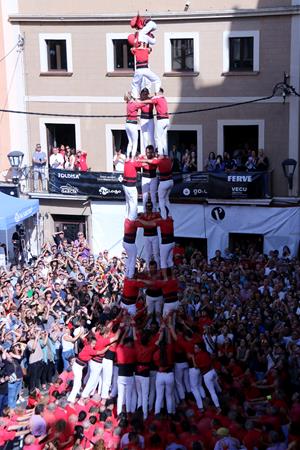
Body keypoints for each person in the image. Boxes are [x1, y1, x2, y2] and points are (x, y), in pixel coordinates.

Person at [124, 92, 143, 159]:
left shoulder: (128, 103)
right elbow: (142, 104)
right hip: (132, 124)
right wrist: (137, 99)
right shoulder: (134, 104)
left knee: (130, 142)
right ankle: (132, 158)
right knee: (135, 142)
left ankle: (128, 157)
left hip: (127, 124)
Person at [139, 88, 155, 155]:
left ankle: (153, 152)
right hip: (143, 119)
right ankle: (145, 153)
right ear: (142, 94)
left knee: (151, 137)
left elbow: (155, 96)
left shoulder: (151, 99)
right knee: (144, 137)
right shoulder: (140, 100)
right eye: (143, 94)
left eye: (146, 94)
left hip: (150, 119)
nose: (145, 95)